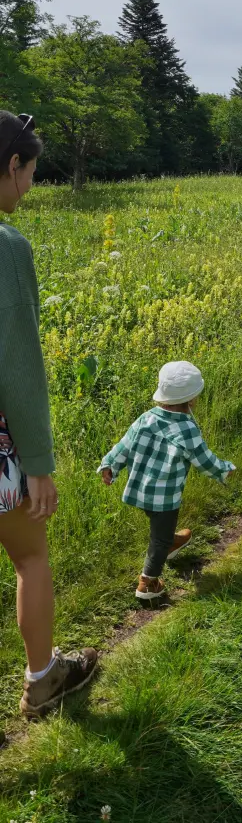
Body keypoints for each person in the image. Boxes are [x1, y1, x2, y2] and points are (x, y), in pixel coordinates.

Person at [0, 110, 98, 719]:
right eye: (32, 172)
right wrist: (37, 462)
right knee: (30, 556)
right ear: (12, 166)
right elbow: (19, 366)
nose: (31, 186)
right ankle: (43, 681)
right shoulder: (6, 247)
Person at [99, 361, 235, 601]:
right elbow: (204, 460)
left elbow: (124, 445)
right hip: (165, 497)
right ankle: (147, 584)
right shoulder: (186, 429)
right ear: (192, 399)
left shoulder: (146, 418)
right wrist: (223, 470)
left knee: (160, 529)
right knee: (158, 540)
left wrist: (110, 465)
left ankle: (171, 542)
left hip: (140, 490)